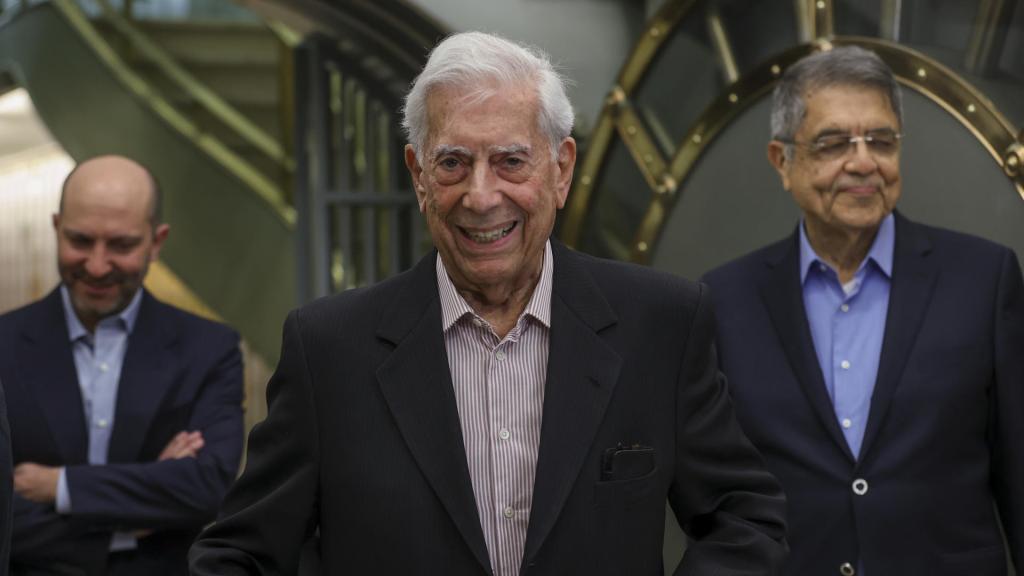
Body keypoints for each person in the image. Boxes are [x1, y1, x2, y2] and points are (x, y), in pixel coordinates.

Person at [189, 31, 786, 575]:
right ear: (418, 175)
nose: (481, 196)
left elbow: (745, 517)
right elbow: (236, 554)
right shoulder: (328, 350)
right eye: (453, 163)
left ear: (561, 169)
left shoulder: (660, 323)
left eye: (510, 161)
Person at [702, 46, 1024, 576]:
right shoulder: (725, 301)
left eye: (881, 140)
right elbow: (714, 501)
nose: (863, 162)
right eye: (833, 144)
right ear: (782, 162)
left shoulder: (983, 281)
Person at [0, 155, 244, 575]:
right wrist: (137, 516)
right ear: (56, 228)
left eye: (121, 245)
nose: (97, 265)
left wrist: (57, 486)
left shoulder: (209, 349)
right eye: (79, 240)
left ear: (157, 242)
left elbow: (205, 488)